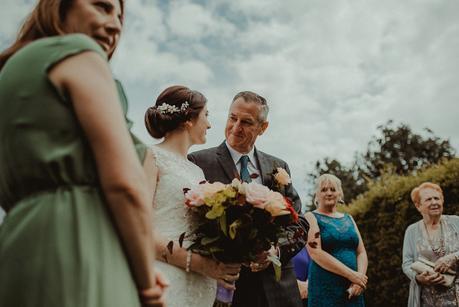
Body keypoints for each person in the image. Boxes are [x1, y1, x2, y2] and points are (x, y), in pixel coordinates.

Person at [0, 1, 166, 306]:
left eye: (119, 16)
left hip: (19, 245)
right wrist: (147, 282)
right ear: (60, 6)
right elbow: (125, 186)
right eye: (101, 7)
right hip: (82, 243)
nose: (116, 25)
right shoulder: (79, 53)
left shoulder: (11, 71)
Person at [188, 91, 309, 307]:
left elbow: (299, 224)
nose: (236, 128)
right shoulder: (198, 162)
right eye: (233, 118)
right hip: (227, 291)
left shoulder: (278, 167)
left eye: (246, 122)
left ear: (263, 128)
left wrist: (275, 251)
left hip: (279, 292)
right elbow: (190, 224)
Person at [144, 85, 241, 307]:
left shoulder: (197, 171)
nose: (209, 124)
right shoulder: (151, 157)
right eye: (206, 115)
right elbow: (140, 228)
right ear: (189, 119)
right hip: (165, 277)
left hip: (200, 286)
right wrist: (198, 264)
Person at [304, 174, 367, 307]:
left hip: (353, 287)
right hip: (325, 286)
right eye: (324, 189)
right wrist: (351, 275)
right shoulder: (310, 217)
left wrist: (358, 280)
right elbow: (316, 253)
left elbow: (361, 252)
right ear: (317, 194)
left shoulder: (349, 218)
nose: (329, 193)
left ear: (339, 193)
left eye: (333, 189)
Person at [402, 182, 459, 307]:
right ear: (418, 206)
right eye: (428, 199)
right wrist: (418, 278)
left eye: (437, 198)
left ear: (442, 201)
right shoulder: (412, 231)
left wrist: (453, 257)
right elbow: (406, 263)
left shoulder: (456, 222)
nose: (434, 202)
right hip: (428, 299)